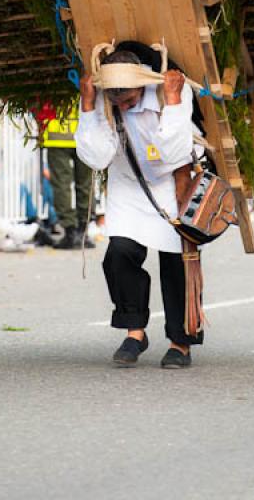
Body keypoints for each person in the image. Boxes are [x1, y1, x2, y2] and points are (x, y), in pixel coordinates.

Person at [75, 49, 203, 369]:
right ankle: (135, 332)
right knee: (119, 253)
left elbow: (174, 151)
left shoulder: (170, 86)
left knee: (177, 263)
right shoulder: (104, 97)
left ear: (141, 84)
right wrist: (89, 106)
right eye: (115, 99)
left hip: (174, 179)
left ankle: (180, 342)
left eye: (129, 98)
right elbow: (97, 157)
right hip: (129, 183)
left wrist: (173, 100)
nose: (123, 105)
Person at [41, 101, 96, 250]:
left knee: (61, 185)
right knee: (85, 184)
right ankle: (83, 231)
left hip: (57, 132)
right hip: (84, 133)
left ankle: (70, 231)